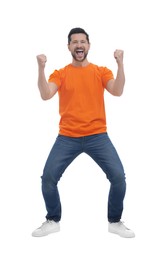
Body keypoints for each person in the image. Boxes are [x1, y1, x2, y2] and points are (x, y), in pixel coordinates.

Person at [32, 27, 135, 238]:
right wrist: (41, 68)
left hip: (98, 136)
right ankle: (52, 220)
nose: (79, 45)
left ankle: (114, 221)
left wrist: (120, 64)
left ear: (88, 45)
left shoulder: (100, 71)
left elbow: (117, 91)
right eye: (74, 42)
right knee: (48, 179)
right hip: (67, 137)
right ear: (69, 47)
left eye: (83, 41)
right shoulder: (61, 73)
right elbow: (45, 94)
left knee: (118, 178)